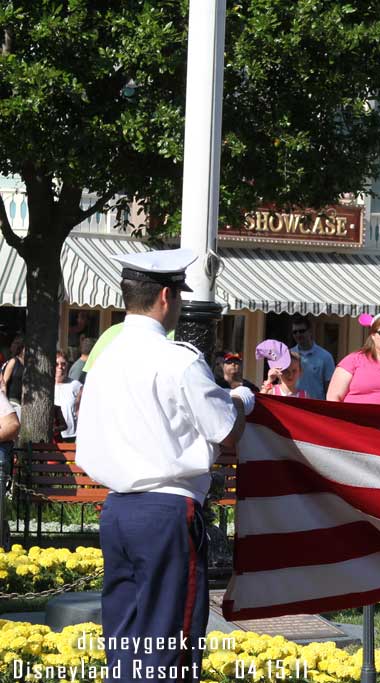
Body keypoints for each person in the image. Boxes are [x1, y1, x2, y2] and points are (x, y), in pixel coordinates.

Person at [76, 247, 253, 682]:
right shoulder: (179, 359)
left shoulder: (103, 360)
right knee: (169, 639)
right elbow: (226, 430)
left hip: (117, 508)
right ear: (166, 298)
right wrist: (242, 399)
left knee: (126, 637)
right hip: (167, 510)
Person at [290, 315, 335, 400]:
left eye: (302, 331)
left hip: (315, 407)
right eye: (295, 332)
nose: (298, 334)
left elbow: (329, 388)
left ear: (310, 331)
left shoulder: (325, 357)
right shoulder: (288, 355)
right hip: (293, 405)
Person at [53, 351, 83, 441]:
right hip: (55, 437)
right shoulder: (47, 387)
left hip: (72, 435)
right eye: (56, 364)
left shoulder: (76, 385)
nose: (60, 367)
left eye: (63, 364)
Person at [0, 336, 25, 407]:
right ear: (21, 348)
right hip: (12, 400)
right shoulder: (13, 361)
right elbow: (4, 382)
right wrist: (4, 403)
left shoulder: (26, 364)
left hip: (23, 402)